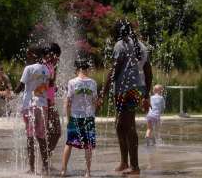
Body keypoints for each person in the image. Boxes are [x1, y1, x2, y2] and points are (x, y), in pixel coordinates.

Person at [99, 19, 152, 175]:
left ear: (118, 32)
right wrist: (146, 94)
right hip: (135, 90)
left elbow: (114, 70)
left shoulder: (120, 45)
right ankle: (124, 162)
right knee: (120, 125)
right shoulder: (142, 46)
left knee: (128, 126)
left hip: (126, 91)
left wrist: (104, 91)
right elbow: (148, 72)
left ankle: (135, 167)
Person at [14, 45, 50, 174]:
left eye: (28, 54)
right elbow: (46, 88)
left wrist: (12, 93)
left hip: (29, 106)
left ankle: (32, 168)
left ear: (33, 55)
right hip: (43, 105)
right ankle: (45, 167)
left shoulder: (28, 68)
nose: (27, 57)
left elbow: (21, 86)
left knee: (30, 137)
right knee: (41, 136)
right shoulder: (47, 69)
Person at [60, 57, 97, 177]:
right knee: (88, 145)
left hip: (75, 117)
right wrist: (92, 114)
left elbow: (68, 102)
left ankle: (63, 170)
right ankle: (88, 172)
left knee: (69, 143)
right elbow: (95, 101)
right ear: (87, 69)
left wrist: (68, 118)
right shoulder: (93, 83)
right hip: (88, 117)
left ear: (77, 70)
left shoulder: (72, 82)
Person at [44, 43, 62, 157]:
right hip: (46, 103)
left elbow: (50, 85)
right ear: (51, 54)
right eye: (57, 56)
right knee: (55, 132)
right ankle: (44, 160)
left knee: (55, 132)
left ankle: (45, 158)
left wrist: (54, 88)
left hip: (50, 103)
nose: (58, 59)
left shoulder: (52, 66)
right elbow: (39, 87)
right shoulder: (44, 66)